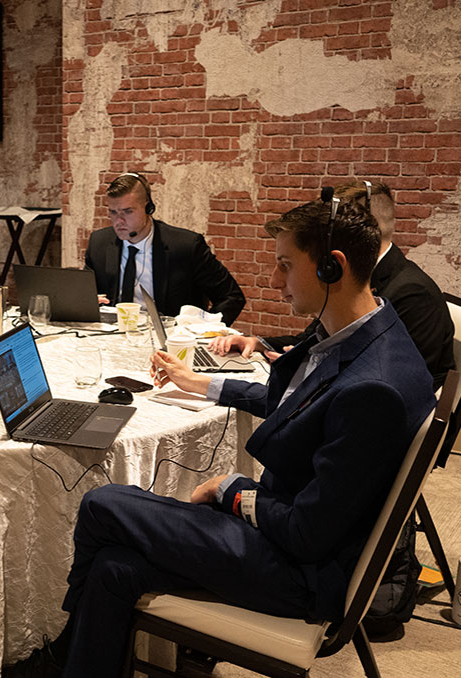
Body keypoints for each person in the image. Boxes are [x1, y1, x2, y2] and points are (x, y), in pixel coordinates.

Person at [52, 195, 435, 677]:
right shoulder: (370, 332)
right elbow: (301, 405)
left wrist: (234, 491)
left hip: (301, 571)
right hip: (293, 539)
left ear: (332, 269)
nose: (275, 282)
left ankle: (58, 651)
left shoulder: (372, 389)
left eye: (284, 265)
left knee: (102, 503)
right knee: (113, 569)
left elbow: (306, 533)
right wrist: (202, 383)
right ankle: (68, 661)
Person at [210, 180, 455, 389]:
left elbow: (399, 383)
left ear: (362, 225)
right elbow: (315, 339)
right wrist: (260, 343)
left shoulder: (412, 293)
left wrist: (307, 374)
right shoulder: (345, 278)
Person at [84, 172, 245, 325]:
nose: (118, 221)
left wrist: (204, 330)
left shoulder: (186, 246)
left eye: (127, 212)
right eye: (113, 212)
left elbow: (231, 297)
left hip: (167, 339)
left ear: (148, 208)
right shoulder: (99, 243)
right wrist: (88, 302)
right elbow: (86, 296)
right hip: (112, 337)